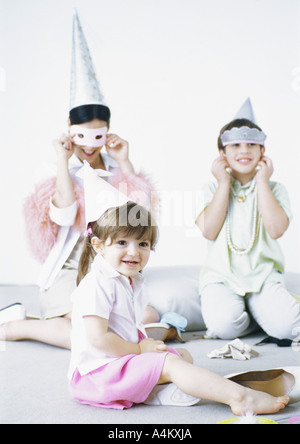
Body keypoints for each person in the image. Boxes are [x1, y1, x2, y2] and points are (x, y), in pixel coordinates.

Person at [0, 11, 159, 349]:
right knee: (86, 335)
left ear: (108, 133)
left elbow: (139, 215)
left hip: (110, 262)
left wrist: (124, 160)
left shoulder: (117, 172)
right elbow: (61, 215)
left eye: (97, 137)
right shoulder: (61, 173)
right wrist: (62, 159)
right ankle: (19, 327)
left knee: (147, 318)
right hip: (69, 269)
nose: (89, 146)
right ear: (70, 133)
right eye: (81, 137)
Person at [68, 201, 289, 415]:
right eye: (122, 243)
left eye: (143, 244)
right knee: (171, 364)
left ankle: (153, 390)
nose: (134, 252)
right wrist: (139, 350)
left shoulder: (126, 280)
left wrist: (146, 345)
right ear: (98, 246)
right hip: (95, 377)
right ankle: (241, 398)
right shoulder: (97, 283)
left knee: (182, 355)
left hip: (117, 364)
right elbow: (99, 339)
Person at [195, 99, 300, 340]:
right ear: (222, 153)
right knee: (224, 328)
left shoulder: (275, 188)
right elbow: (209, 231)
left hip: (263, 275)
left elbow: (276, 230)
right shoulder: (210, 188)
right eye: (235, 145)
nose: (244, 151)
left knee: (289, 328)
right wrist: (223, 183)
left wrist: (262, 182)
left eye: (252, 144)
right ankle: (254, 317)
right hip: (222, 277)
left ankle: (261, 310)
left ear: (263, 151)